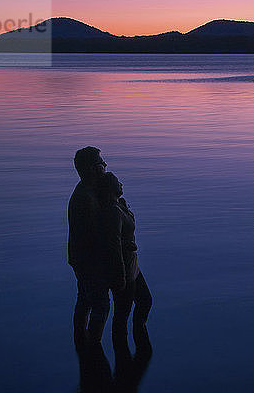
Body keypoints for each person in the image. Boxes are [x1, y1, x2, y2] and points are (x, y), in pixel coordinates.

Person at [100, 172, 152, 353]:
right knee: (122, 313)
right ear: (110, 188)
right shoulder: (113, 212)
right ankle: (123, 357)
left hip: (132, 264)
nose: (121, 183)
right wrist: (119, 274)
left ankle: (140, 336)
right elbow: (113, 244)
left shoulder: (119, 206)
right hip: (124, 267)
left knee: (145, 300)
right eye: (117, 182)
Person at [68, 146, 113, 343]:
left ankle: (81, 340)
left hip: (80, 259)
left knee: (84, 300)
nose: (105, 166)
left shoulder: (87, 192)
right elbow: (95, 234)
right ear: (92, 169)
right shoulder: (85, 198)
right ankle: (93, 346)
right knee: (101, 305)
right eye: (101, 163)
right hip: (88, 262)